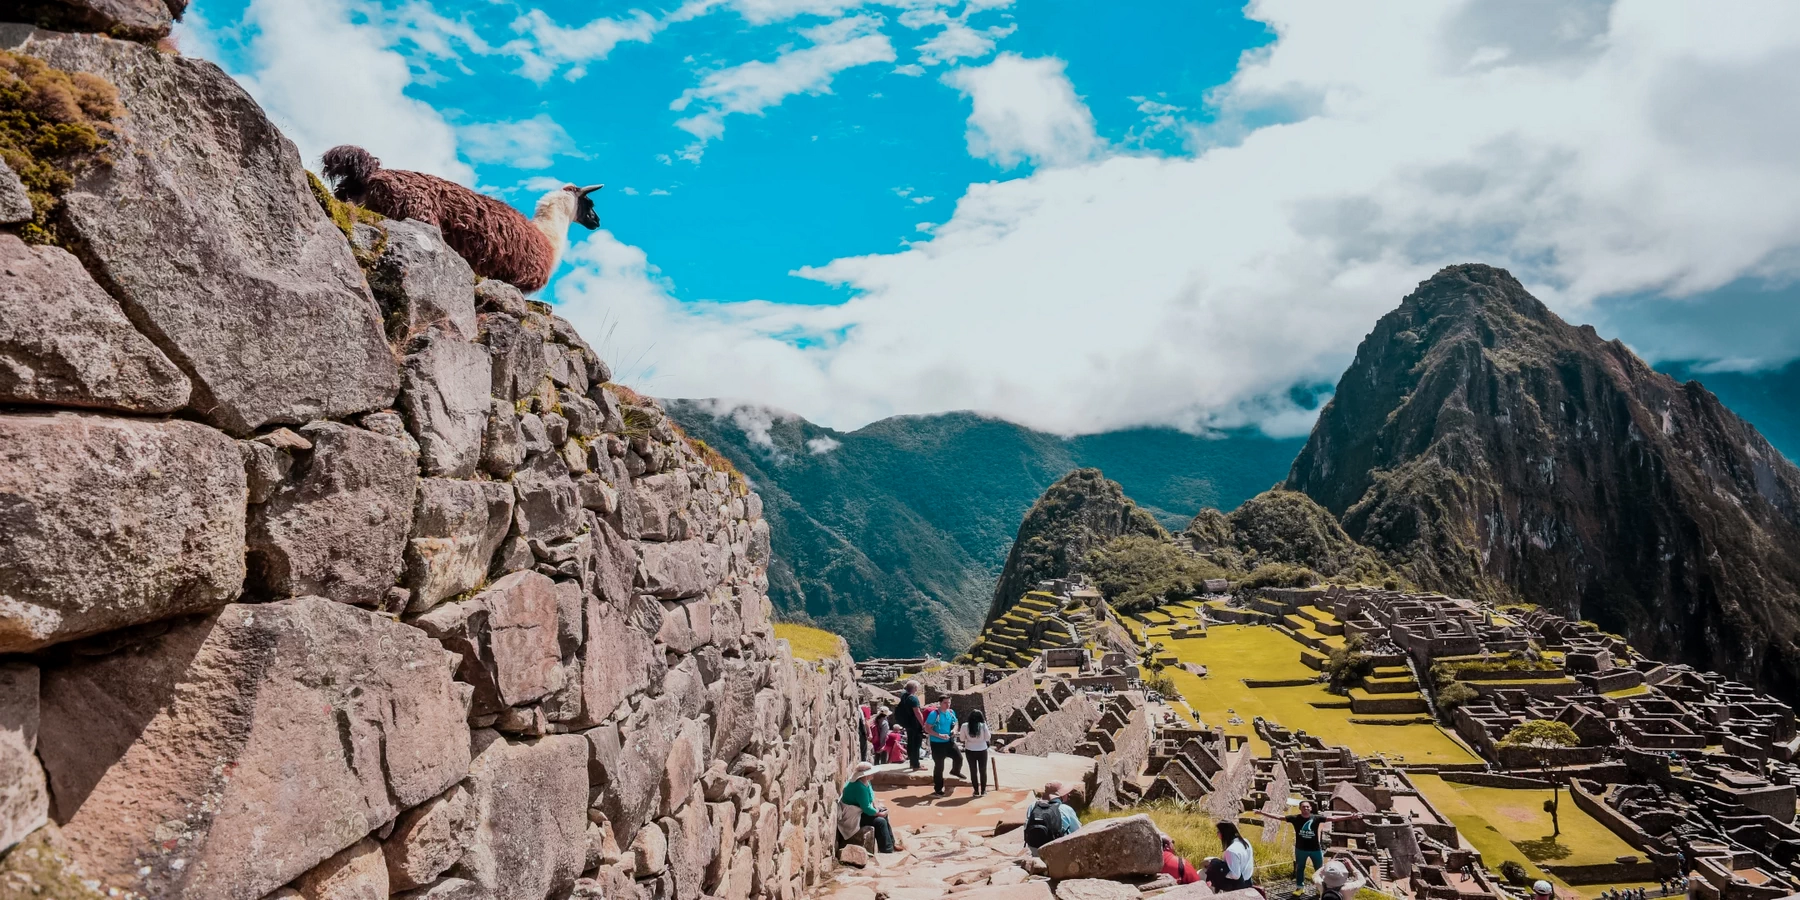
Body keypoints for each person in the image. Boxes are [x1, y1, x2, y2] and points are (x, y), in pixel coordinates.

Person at [1254, 799, 1363, 890]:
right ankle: (1299, 887)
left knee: (1319, 870)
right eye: (1303, 807)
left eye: (1307, 807)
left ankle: (1318, 888)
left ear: (1310, 808)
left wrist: (1349, 817)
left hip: (1315, 849)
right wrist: (1262, 813)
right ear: (1300, 808)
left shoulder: (1316, 818)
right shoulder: (1295, 818)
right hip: (1301, 849)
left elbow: (1332, 818)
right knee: (1300, 868)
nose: (1306, 808)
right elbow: (1279, 817)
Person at [839, 761, 894, 853]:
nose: (873, 774)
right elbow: (867, 808)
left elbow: (871, 793)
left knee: (884, 812)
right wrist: (879, 814)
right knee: (880, 822)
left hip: (860, 811)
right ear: (865, 775)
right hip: (854, 816)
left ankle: (892, 843)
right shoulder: (859, 787)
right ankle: (887, 849)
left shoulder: (864, 782)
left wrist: (876, 805)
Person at [1023, 781, 1081, 852]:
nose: (1068, 794)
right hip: (1056, 851)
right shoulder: (1065, 809)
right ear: (1061, 796)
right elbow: (1078, 831)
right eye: (1066, 793)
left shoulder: (1033, 806)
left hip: (1034, 849)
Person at [1204, 822, 1254, 893]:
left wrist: (1219, 872)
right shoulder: (1245, 841)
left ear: (1224, 833)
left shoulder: (1231, 850)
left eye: (1218, 831)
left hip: (1238, 885)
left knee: (1207, 873)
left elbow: (1235, 875)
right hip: (1248, 881)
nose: (1217, 833)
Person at [926, 696, 960, 796]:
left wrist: (954, 730)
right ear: (940, 703)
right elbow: (927, 728)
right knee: (939, 767)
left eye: (949, 702)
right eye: (945, 703)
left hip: (949, 742)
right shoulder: (934, 714)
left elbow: (956, 722)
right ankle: (938, 789)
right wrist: (939, 735)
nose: (948, 705)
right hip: (937, 744)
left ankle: (955, 771)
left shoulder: (951, 712)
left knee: (959, 758)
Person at [962, 710, 992, 796]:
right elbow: (988, 738)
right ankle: (983, 791)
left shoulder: (965, 726)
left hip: (970, 750)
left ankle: (975, 790)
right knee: (983, 770)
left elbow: (962, 738)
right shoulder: (983, 726)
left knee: (973, 770)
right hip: (982, 750)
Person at [897, 682, 925, 771]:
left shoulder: (904, 696)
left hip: (907, 724)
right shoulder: (913, 698)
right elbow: (917, 712)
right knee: (916, 744)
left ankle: (912, 763)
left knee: (911, 743)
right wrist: (923, 724)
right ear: (915, 688)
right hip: (915, 724)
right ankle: (916, 765)